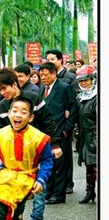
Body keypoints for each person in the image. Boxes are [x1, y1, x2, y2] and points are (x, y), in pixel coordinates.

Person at [0, 67, 61, 220]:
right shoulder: (2, 105)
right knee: (11, 189)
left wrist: (55, 145)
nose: (2, 93)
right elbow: (0, 133)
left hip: (36, 153)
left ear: (14, 84)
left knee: (39, 189)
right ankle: (17, 212)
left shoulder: (33, 97)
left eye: (4, 88)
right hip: (13, 158)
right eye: (0, 90)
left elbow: (47, 120)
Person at [39, 62, 78, 205]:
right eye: (41, 75)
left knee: (60, 164)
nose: (42, 77)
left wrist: (67, 129)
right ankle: (49, 192)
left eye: (45, 74)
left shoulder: (63, 88)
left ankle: (59, 194)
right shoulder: (41, 89)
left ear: (54, 73)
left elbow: (73, 108)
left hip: (60, 132)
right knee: (49, 162)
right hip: (46, 134)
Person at [74, 65, 97, 203]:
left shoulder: (97, 96)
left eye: (86, 80)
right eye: (81, 81)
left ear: (92, 79)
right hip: (84, 136)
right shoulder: (80, 96)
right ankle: (90, 191)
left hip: (95, 135)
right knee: (89, 166)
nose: (83, 83)